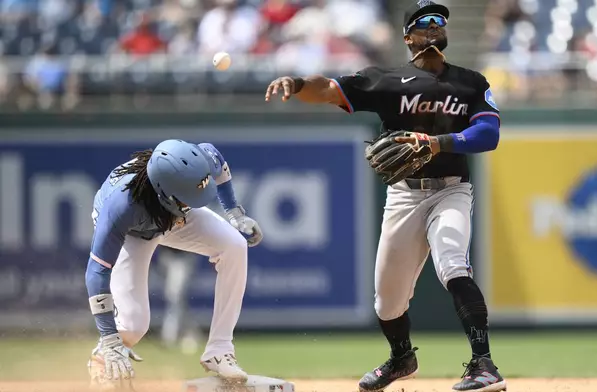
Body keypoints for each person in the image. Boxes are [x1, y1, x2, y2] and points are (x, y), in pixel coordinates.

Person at [264, 1, 506, 392]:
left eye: (438, 22)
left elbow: (488, 135)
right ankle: (401, 358)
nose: (433, 26)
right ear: (407, 36)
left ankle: (484, 365)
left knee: (453, 265)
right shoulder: (387, 81)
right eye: (423, 22)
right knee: (387, 303)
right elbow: (328, 89)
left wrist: (436, 142)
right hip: (404, 196)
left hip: (451, 190)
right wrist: (295, 84)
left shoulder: (470, 82)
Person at [85, 139, 263, 390]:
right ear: (166, 194)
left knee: (234, 245)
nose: (198, 199)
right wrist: (110, 338)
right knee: (133, 327)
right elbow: (97, 272)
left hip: (171, 214)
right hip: (135, 232)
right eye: (191, 196)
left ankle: (219, 350)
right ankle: (103, 359)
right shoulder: (121, 207)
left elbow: (216, 159)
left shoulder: (194, 163)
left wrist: (234, 213)